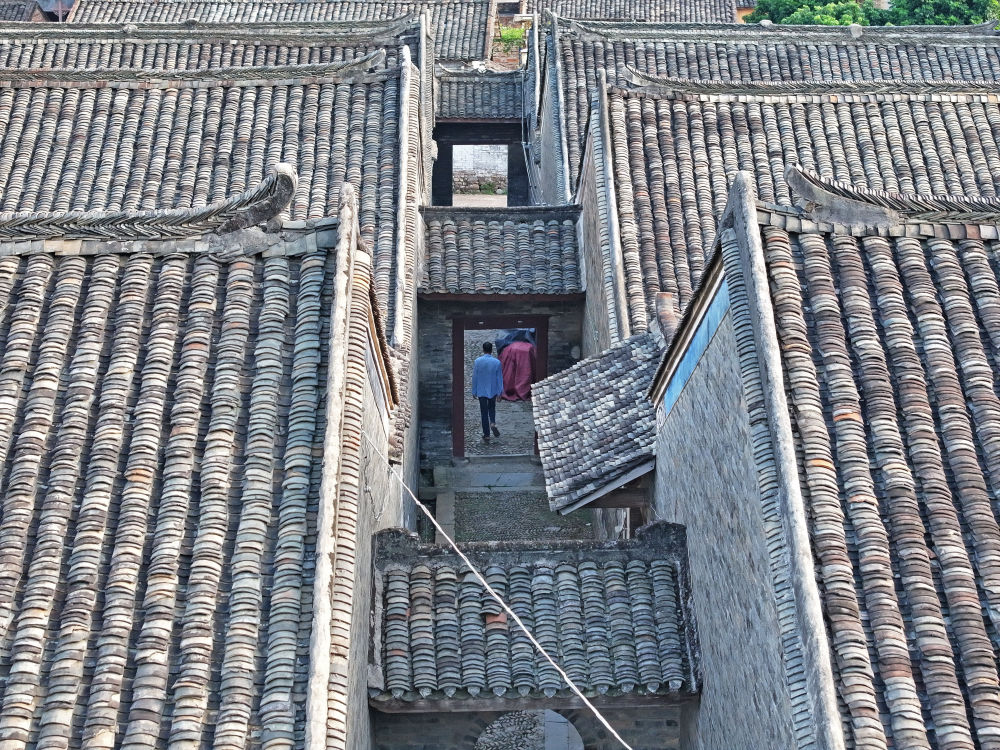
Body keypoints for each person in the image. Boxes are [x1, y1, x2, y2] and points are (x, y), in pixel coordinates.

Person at [471, 342, 503, 442]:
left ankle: (487, 434)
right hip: (492, 389)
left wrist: (474, 390)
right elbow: (499, 378)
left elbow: (475, 377)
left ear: (483, 349)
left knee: (484, 412)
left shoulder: (477, 361)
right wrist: (500, 392)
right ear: (491, 350)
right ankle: (492, 422)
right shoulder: (497, 362)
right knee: (492, 408)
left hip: (481, 390)